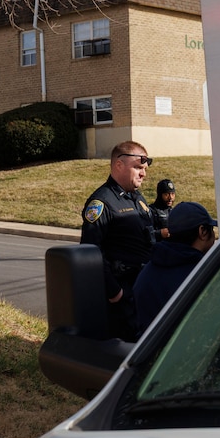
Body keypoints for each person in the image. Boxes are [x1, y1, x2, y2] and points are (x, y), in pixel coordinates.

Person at [80, 141, 156, 341]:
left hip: (143, 289)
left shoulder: (137, 198)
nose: (143, 174)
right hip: (124, 295)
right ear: (119, 165)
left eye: (145, 169)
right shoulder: (101, 203)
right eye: (138, 167)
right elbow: (90, 252)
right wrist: (116, 293)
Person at [133, 201, 218, 336]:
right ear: (202, 231)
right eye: (212, 229)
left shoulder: (147, 273)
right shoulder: (204, 275)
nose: (215, 237)